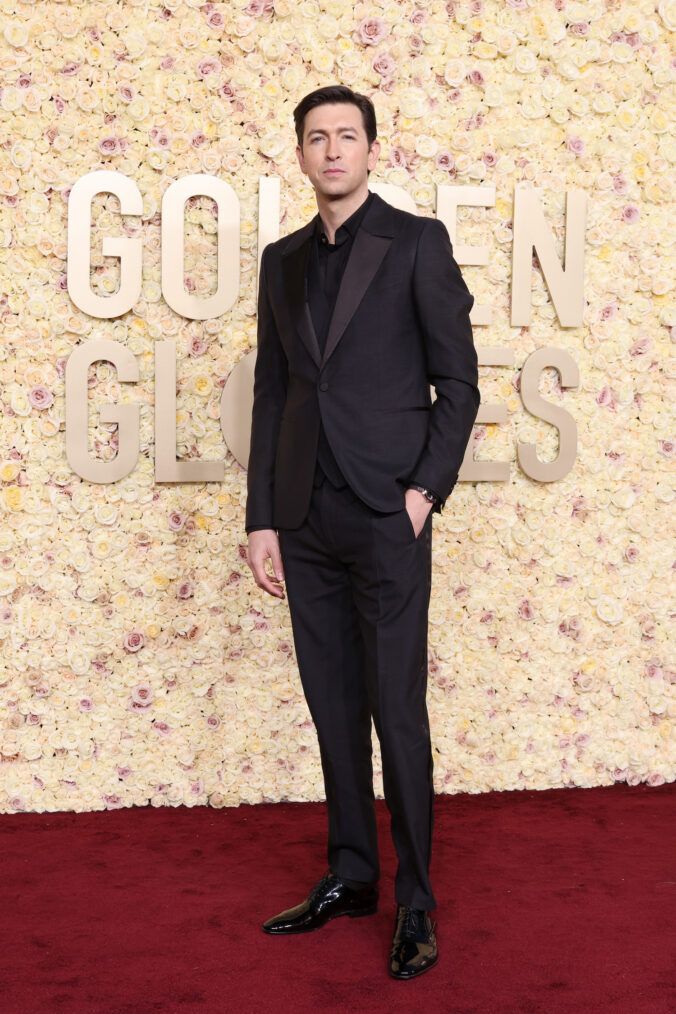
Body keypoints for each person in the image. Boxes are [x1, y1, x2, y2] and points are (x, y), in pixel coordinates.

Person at [245, 84, 479, 980]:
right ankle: (352, 874)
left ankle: (414, 898)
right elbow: (275, 393)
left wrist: (424, 491)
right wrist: (263, 515)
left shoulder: (417, 243)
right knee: (332, 704)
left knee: (397, 710)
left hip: (389, 513)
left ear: (371, 150)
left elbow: (459, 384)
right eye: (317, 137)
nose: (332, 149)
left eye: (347, 135)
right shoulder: (281, 261)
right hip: (305, 516)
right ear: (300, 155)